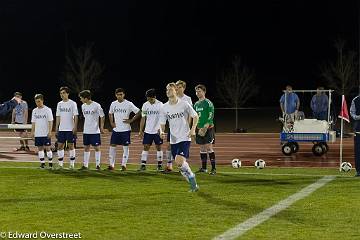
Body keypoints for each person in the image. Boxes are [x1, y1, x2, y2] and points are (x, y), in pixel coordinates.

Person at [159, 82, 199, 192]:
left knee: (179, 161)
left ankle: (191, 177)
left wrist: (193, 129)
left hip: (185, 137)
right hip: (174, 139)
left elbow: (195, 116)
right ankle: (193, 182)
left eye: (170, 89)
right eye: (166, 89)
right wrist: (162, 131)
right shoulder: (164, 107)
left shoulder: (184, 104)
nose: (168, 91)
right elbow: (162, 122)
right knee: (180, 165)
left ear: (176, 90)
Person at [107, 88, 141, 171]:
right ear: (116, 95)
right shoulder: (113, 104)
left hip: (125, 130)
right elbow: (110, 113)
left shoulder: (129, 104)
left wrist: (131, 120)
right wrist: (111, 122)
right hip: (116, 130)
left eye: (121, 94)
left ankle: (124, 165)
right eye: (118, 94)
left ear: (124, 95)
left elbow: (139, 111)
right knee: (112, 146)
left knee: (125, 147)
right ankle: (111, 165)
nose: (119, 96)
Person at [164, 80, 193, 172]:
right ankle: (169, 165)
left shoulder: (187, 99)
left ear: (183, 88)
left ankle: (183, 164)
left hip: (183, 128)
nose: (177, 88)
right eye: (176, 87)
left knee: (181, 149)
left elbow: (190, 114)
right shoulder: (171, 99)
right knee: (169, 145)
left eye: (180, 87)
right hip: (173, 128)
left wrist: (189, 127)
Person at [138, 89, 163, 171]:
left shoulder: (160, 105)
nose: (149, 100)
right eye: (148, 99)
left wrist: (161, 130)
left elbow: (163, 118)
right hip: (148, 130)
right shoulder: (145, 105)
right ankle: (143, 165)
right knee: (146, 147)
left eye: (151, 99)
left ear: (155, 97)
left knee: (158, 147)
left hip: (157, 131)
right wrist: (140, 130)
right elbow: (143, 118)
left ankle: (159, 165)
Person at [79, 90, 105, 170]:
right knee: (86, 147)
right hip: (86, 130)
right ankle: (85, 165)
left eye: (81, 98)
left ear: (86, 98)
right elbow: (85, 117)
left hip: (95, 131)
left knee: (97, 148)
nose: (80, 100)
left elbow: (102, 116)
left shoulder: (96, 105)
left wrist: (101, 127)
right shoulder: (83, 106)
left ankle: (98, 165)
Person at [193, 84, 216, 175]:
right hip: (199, 129)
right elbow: (195, 117)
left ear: (204, 92)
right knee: (202, 148)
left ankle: (213, 169)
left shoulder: (208, 103)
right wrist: (194, 128)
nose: (198, 93)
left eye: (200, 91)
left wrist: (205, 127)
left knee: (209, 147)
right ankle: (204, 168)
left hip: (208, 128)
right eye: (197, 91)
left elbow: (211, 116)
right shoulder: (196, 104)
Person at [55, 86, 79, 169]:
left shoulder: (73, 103)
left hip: (70, 129)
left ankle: (72, 164)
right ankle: (60, 164)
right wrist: (56, 128)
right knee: (60, 146)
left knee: (71, 146)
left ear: (68, 93)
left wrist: (75, 127)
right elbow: (58, 116)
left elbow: (76, 116)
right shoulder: (59, 104)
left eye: (64, 93)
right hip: (61, 129)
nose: (62, 95)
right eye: (61, 93)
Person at [30, 94, 54, 169]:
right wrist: (32, 132)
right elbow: (33, 122)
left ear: (42, 100)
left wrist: (50, 131)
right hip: (38, 133)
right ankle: (42, 164)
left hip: (45, 133)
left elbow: (51, 121)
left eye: (39, 101)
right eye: (36, 102)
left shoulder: (48, 110)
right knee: (40, 149)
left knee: (48, 148)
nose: (38, 103)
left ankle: (50, 164)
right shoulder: (34, 111)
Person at [350, 95, 360, 177]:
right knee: (358, 151)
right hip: (358, 129)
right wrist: (358, 117)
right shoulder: (355, 99)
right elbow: (352, 113)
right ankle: (358, 171)